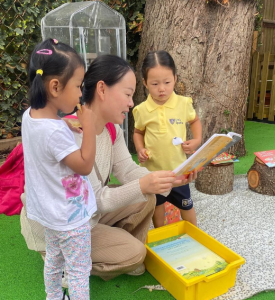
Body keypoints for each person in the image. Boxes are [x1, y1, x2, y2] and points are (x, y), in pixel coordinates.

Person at [20, 54, 198, 286]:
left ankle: (110, 245)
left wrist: (172, 179)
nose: (131, 103)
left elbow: (127, 169)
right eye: (127, 94)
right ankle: (64, 260)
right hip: (63, 224)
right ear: (102, 90)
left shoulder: (111, 129)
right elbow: (93, 198)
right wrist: (145, 184)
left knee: (146, 198)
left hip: (86, 214)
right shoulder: (69, 134)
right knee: (135, 253)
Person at [22, 38, 97, 299]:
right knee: (78, 270)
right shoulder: (55, 133)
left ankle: (53, 297)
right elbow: (85, 165)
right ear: (55, 86)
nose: (80, 93)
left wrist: (65, 124)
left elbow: (48, 135)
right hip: (71, 218)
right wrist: (89, 126)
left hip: (49, 213)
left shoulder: (30, 116)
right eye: (78, 86)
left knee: (53, 260)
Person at [133, 50, 202, 228]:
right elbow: (138, 132)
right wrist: (140, 149)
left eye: (167, 82)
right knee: (157, 207)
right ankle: (161, 236)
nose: (161, 88)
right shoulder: (142, 110)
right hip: (153, 174)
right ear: (145, 83)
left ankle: (195, 233)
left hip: (178, 172)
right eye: (155, 83)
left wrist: (197, 140)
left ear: (175, 78)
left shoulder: (183, 103)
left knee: (187, 205)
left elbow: (194, 120)